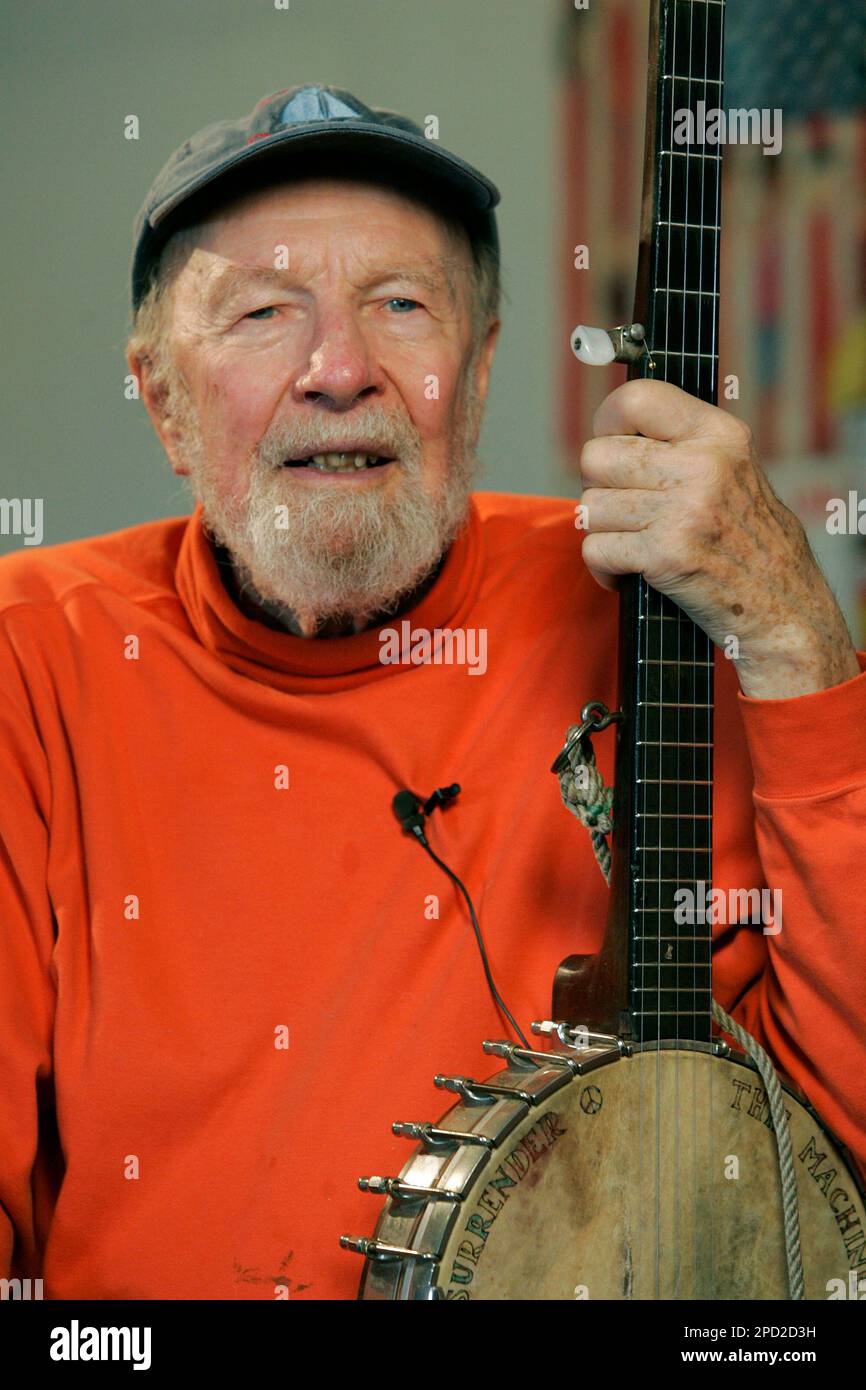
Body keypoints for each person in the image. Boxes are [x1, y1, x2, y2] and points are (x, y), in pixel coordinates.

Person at [1, 85, 863, 1302]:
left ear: (477, 370)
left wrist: (794, 635)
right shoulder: (28, 658)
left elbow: (840, 1151)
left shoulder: (665, 611)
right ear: (162, 400)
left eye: (400, 305)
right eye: (261, 313)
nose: (339, 369)